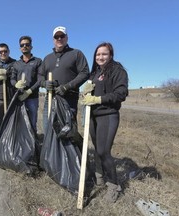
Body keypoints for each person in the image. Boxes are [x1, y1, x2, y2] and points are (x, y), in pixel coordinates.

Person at [81, 42, 129, 202]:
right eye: (98, 54)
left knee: (103, 151)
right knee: (97, 149)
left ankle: (114, 186)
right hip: (92, 116)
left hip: (108, 115)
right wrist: (85, 93)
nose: (100, 57)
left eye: (104, 54)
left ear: (111, 55)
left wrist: (97, 98)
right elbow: (88, 92)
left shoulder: (117, 71)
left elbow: (120, 94)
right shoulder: (94, 73)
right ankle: (99, 176)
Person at [39, 26, 89, 133]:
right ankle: (51, 150)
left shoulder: (76, 54)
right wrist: (44, 83)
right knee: (49, 129)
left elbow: (85, 73)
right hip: (50, 99)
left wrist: (67, 86)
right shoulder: (47, 58)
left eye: (62, 36)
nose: (59, 39)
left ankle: (68, 150)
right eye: (56, 37)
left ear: (67, 38)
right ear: (53, 39)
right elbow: (40, 76)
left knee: (67, 131)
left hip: (69, 99)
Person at [11, 36, 42, 133]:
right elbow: (12, 78)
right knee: (20, 122)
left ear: (31, 47)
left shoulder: (38, 61)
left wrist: (29, 91)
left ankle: (33, 144)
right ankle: (23, 144)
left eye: (27, 45)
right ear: (20, 48)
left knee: (32, 121)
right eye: (22, 45)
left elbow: (40, 79)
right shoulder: (16, 64)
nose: (24, 46)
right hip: (19, 98)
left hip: (32, 98)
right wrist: (16, 84)